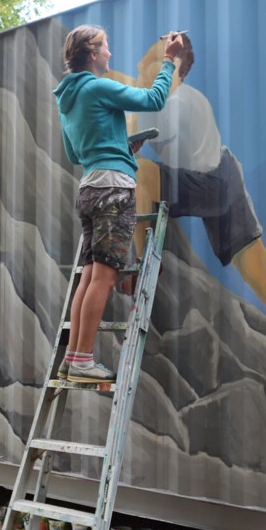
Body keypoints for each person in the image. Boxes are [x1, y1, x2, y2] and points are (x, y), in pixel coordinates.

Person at [130, 34, 266, 391]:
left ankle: (138, 268)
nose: (145, 67)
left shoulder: (174, 103)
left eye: (157, 64)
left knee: (138, 175)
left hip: (210, 184)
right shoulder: (164, 98)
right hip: (224, 173)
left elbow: (135, 132)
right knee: (264, 279)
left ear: (174, 74)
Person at [52, 25, 184, 384]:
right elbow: (154, 100)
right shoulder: (98, 86)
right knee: (105, 277)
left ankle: (71, 358)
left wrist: (119, 146)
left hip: (91, 188)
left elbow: (75, 152)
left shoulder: (68, 97)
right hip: (114, 189)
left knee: (91, 276)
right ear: (92, 54)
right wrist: (170, 61)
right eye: (106, 46)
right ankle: (81, 361)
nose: (110, 53)